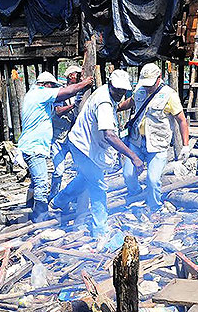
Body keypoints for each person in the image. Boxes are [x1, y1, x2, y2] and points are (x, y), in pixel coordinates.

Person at [50, 70, 145, 237]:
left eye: (123, 92)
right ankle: (100, 230)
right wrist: (134, 156)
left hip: (87, 145)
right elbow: (109, 135)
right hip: (82, 147)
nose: (119, 95)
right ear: (110, 85)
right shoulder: (104, 103)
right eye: (117, 91)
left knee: (85, 179)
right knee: (98, 186)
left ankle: (58, 202)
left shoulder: (105, 92)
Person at [16, 71, 93, 222]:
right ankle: (40, 216)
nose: (53, 90)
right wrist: (84, 84)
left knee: (35, 180)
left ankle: (30, 204)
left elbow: (57, 107)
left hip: (31, 145)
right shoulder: (40, 93)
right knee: (41, 182)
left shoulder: (34, 96)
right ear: (45, 85)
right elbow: (65, 92)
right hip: (34, 146)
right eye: (52, 87)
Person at [118, 63, 191, 214]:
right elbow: (130, 102)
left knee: (152, 179)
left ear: (159, 79)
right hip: (137, 141)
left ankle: (154, 207)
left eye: (150, 84)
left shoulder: (169, 95)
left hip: (157, 144)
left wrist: (185, 145)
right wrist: (115, 107)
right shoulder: (139, 90)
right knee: (128, 174)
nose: (147, 87)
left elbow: (182, 120)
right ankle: (136, 195)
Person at [50, 65, 83, 200]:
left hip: (74, 138)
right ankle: (53, 195)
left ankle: (74, 197)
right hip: (59, 138)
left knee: (80, 169)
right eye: (78, 74)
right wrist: (73, 106)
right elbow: (58, 111)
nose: (80, 77)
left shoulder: (81, 92)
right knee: (58, 171)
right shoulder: (60, 92)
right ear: (71, 76)